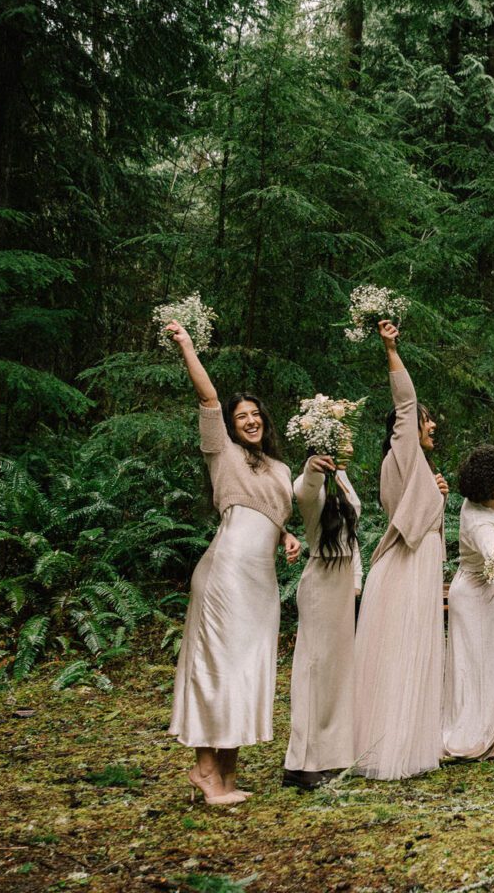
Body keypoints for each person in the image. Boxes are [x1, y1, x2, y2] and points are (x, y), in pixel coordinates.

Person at [164, 320, 300, 805]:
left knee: (247, 667)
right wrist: (186, 346)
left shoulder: (281, 468)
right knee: (217, 665)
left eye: (255, 414)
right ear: (231, 423)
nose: (249, 420)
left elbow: (270, 509)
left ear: (266, 420)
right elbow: (207, 398)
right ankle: (204, 769)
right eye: (240, 415)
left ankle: (225, 774)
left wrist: (287, 535)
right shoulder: (222, 452)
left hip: (260, 580)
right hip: (226, 573)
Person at [353, 321, 448, 780]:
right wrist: (392, 349)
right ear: (402, 430)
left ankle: (407, 741)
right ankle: (394, 747)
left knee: (412, 649)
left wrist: (437, 492)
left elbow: (417, 506)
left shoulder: (414, 467)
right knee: (407, 648)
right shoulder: (405, 450)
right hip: (409, 563)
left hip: (416, 563)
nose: (430, 424)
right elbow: (405, 402)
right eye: (424, 420)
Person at [283, 444, 362, 790]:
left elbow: (352, 536)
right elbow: (303, 491)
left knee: (337, 671)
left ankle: (332, 754)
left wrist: (357, 580)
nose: (346, 448)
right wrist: (313, 466)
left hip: (343, 582)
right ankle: (301, 763)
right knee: (314, 669)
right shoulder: (310, 478)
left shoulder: (342, 477)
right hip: (321, 579)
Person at [442, 445, 494, 761]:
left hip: (491, 594)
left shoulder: (487, 504)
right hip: (477, 597)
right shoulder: (478, 519)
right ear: (491, 478)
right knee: (481, 668)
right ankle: (478, 733)